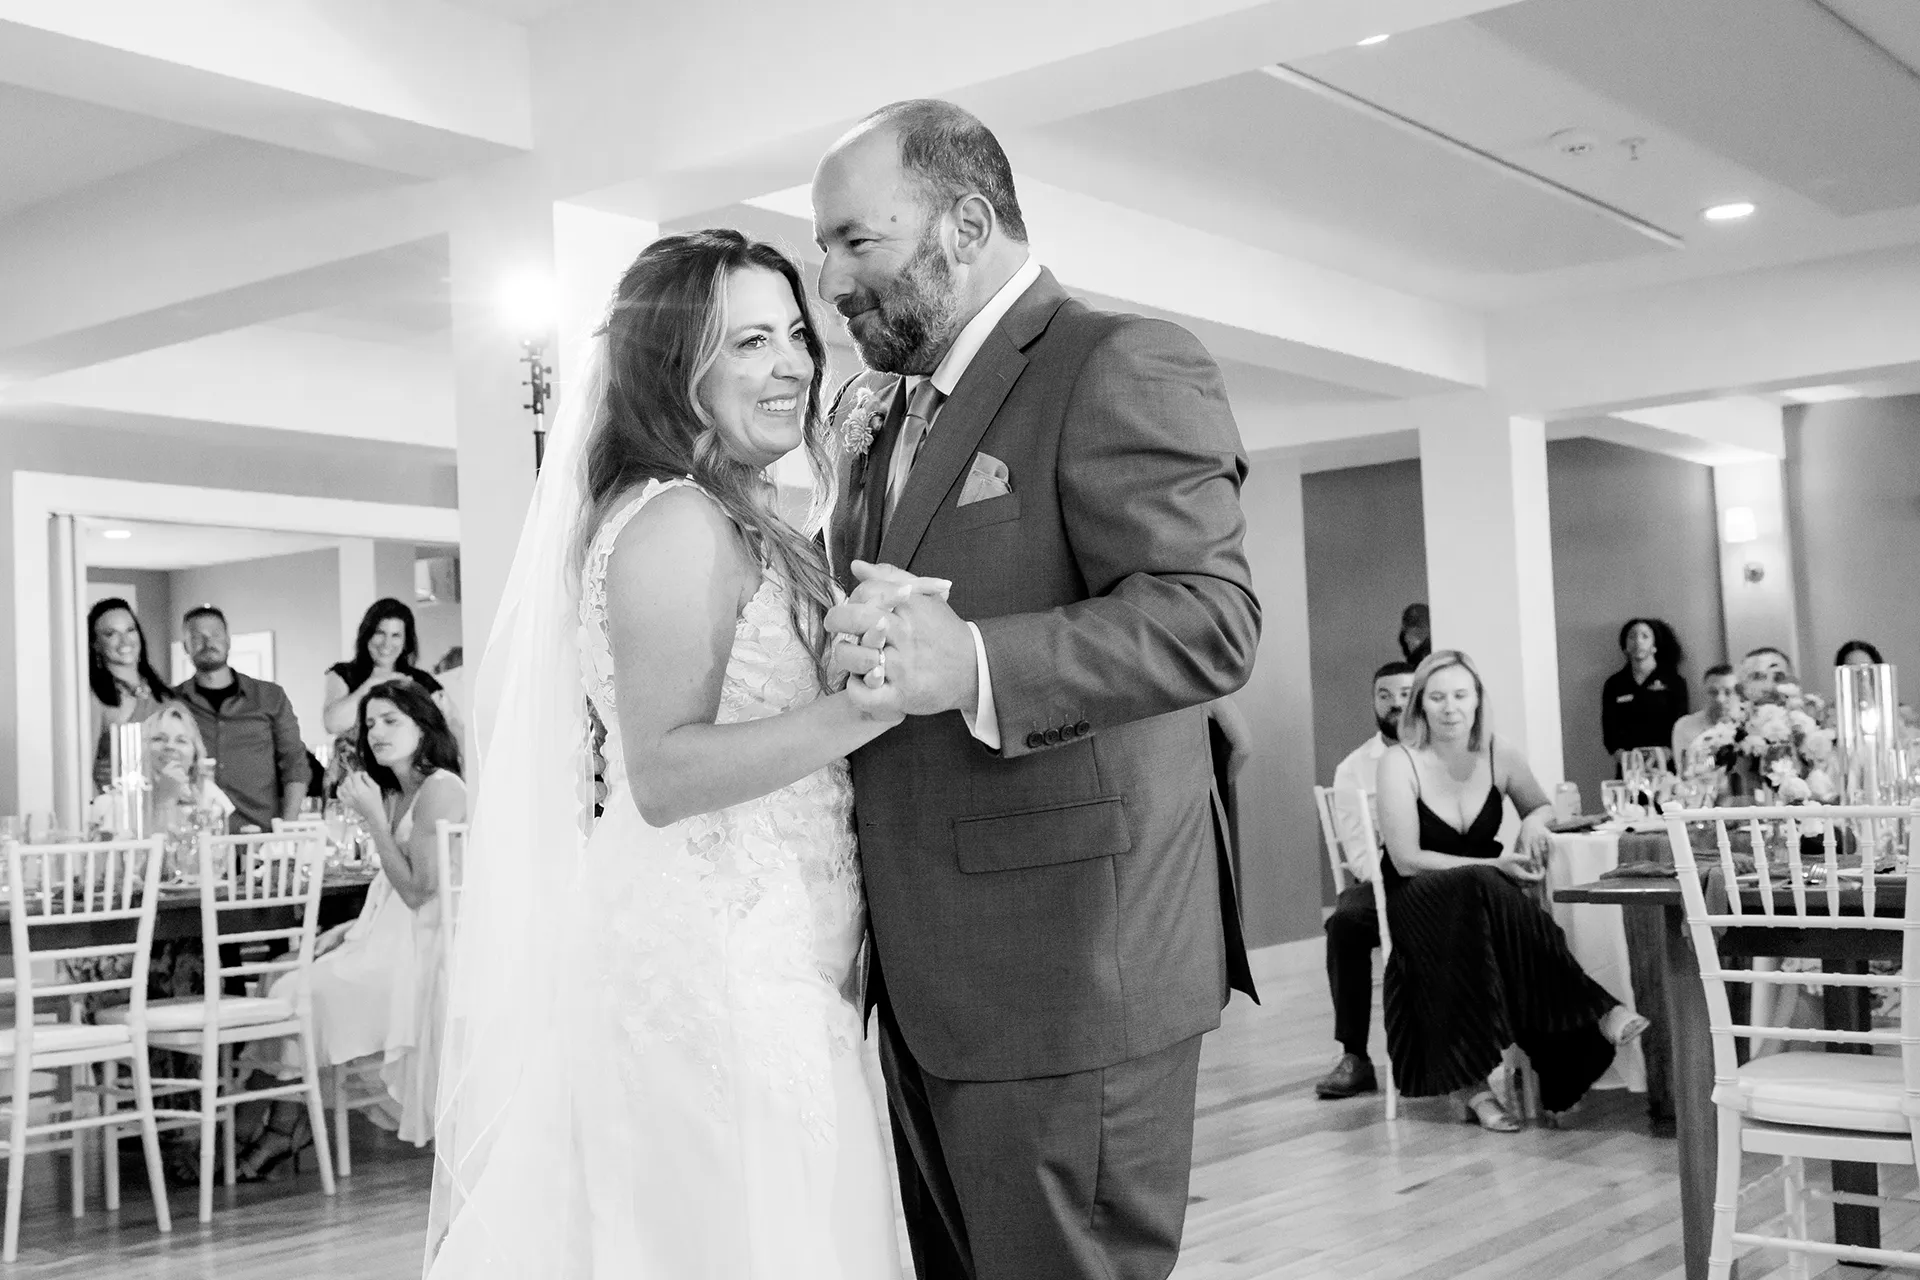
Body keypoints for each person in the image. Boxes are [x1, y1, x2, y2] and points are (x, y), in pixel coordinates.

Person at [814, 100, 1259, 1279]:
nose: (831, 278)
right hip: (928, 981)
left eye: (858, 240)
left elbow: (1210, 619)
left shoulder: (1116, 360)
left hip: (1070, 973)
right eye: (825, 247)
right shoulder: (887, 415)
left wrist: (969, 662)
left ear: (965, 221)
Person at [426, 231, 905, 1278]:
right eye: (748, 342)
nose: (791, 363)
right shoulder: (675, 522)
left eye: (794, 334)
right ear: (674, 370)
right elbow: (666, 772)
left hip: (778, 950)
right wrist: (868, 710)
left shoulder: (745, 512)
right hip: (715, 968)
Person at [1375, 651, 1648, 1131]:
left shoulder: (1500, 752)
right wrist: (1491, 863)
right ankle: (1598, 1009)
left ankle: (1480, 1088)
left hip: (1486, 896)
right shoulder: (1400, 761)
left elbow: (1540, 805)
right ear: (1419, 704)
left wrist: (1533, 827)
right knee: (1484, 882)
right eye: (1436, 697)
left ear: (1478, 701)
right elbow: (1405, 858)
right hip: (1419, 896)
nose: (1449, 708)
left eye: (1461, 695)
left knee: (1488, 896)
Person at [235, 680, 465, 1177]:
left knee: (298, 990)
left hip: (426, 951)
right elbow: (390, 889)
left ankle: (267, 1132)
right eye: (371, 723)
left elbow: (420, 891)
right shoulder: (398, 790)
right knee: (279, 974)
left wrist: (376, 824)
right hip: (392, 938)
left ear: (424, 728)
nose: (376, 732)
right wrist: (349, 930)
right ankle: (270, 1129)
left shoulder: (441, 789)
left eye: (391, 721)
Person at [1314, 660, 1415, 1100]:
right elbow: (1358, 856)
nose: (1395, 704)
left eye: (1406, 694)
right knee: (1344, 923)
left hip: (1442, 879)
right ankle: (1354, 1055)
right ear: (1374, 702)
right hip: (1383, 884)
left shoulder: (1445, 755)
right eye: (1385, 695)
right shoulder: (1353, 768)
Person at [171, 606, 309, 832]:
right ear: (186, 646)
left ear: (228, 640)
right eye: (197, 637)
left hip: (259, 834)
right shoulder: (173, 703)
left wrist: (287, 828)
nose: (208, 642)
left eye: (215, 634)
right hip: (196, 834)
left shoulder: (270, 697)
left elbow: (295, 763)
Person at [85, 701, 233, 835]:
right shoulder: (114, 804)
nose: (170, 746)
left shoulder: (209, 796)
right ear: (142, 749)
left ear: (195, 755)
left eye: (181, 741)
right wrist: (164, 799)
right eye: (159, 739)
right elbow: (136, 862)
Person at [321, 598, 447, 736]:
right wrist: (375, 682)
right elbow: (333, 725)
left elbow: (449, 726)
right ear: (367, 635)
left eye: (396, 635)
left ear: (406, 642)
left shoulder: (422, 680)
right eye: (380, 633)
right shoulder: (344, 673)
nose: (387, 644)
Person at [87, 597, 173, 791]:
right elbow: (84, 774)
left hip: (171, 808)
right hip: (122, 812)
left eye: (130, 630)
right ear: (96, 644)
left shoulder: (165, 695)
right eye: (111, 634)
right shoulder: (96, 699)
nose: (124, 641)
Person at [1601, 618, 1688, 768]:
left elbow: (1681, 724)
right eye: (1632, 636)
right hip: (1629, 768)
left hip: (1665, 766)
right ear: (1625, 647)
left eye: (1645, 636)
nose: (1638, 641)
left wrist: (1662, 756)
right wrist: (1626, 759)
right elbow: (1609, 731)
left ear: (1655, 646)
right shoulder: (1614, 684)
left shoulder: (1674, 682)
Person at [1671, 662, 1739, 764]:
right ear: (1703, 694)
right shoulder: (1685, 726)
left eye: (1728, 692)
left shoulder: (1752, 727)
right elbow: (1685, 773)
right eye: (1713, 692)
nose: (1720, 699)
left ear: (1741, 695)